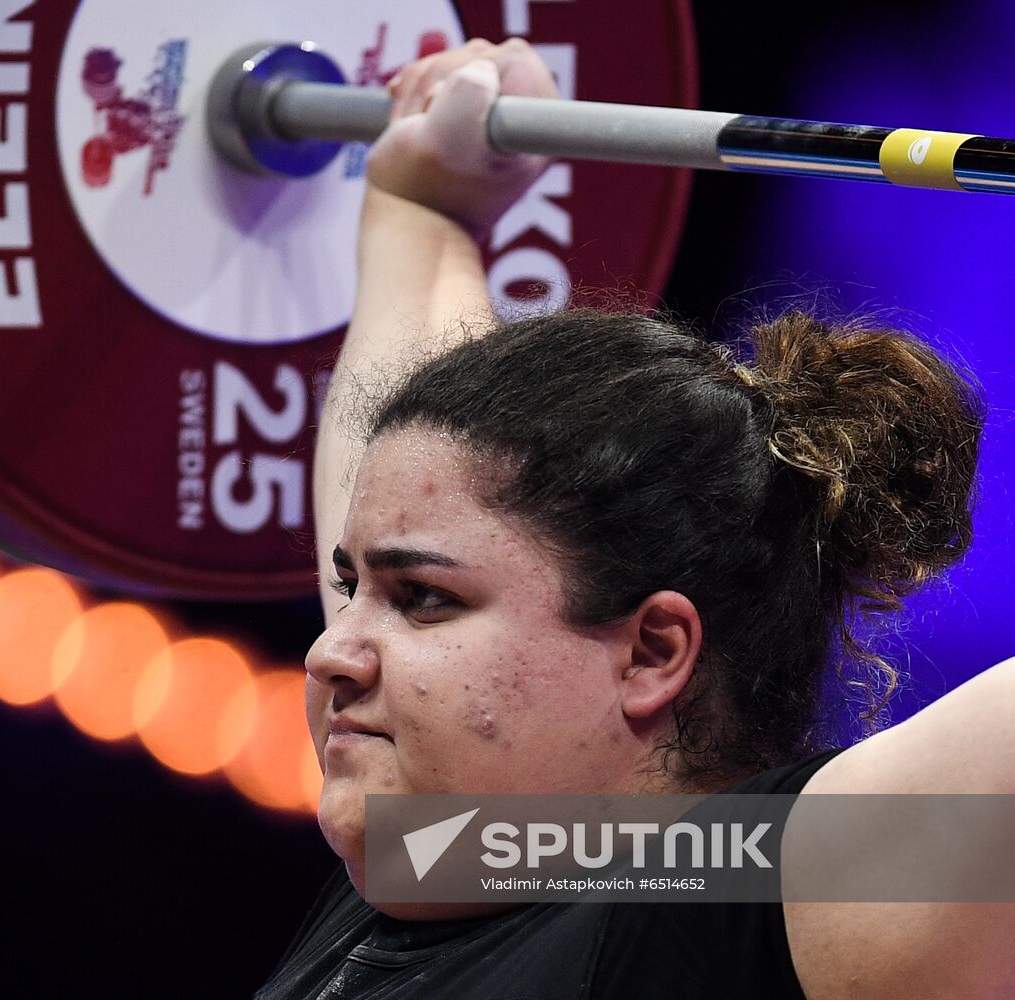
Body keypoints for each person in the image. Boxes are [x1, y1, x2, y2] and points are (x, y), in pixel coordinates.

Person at [256, 38, 1015, 1000]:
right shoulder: (454, 854)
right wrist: (422, 197)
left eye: (423, 601)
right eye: (351, 586)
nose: (333, 651)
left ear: (653, 650)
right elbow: (411, 479)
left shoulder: (732, 896)